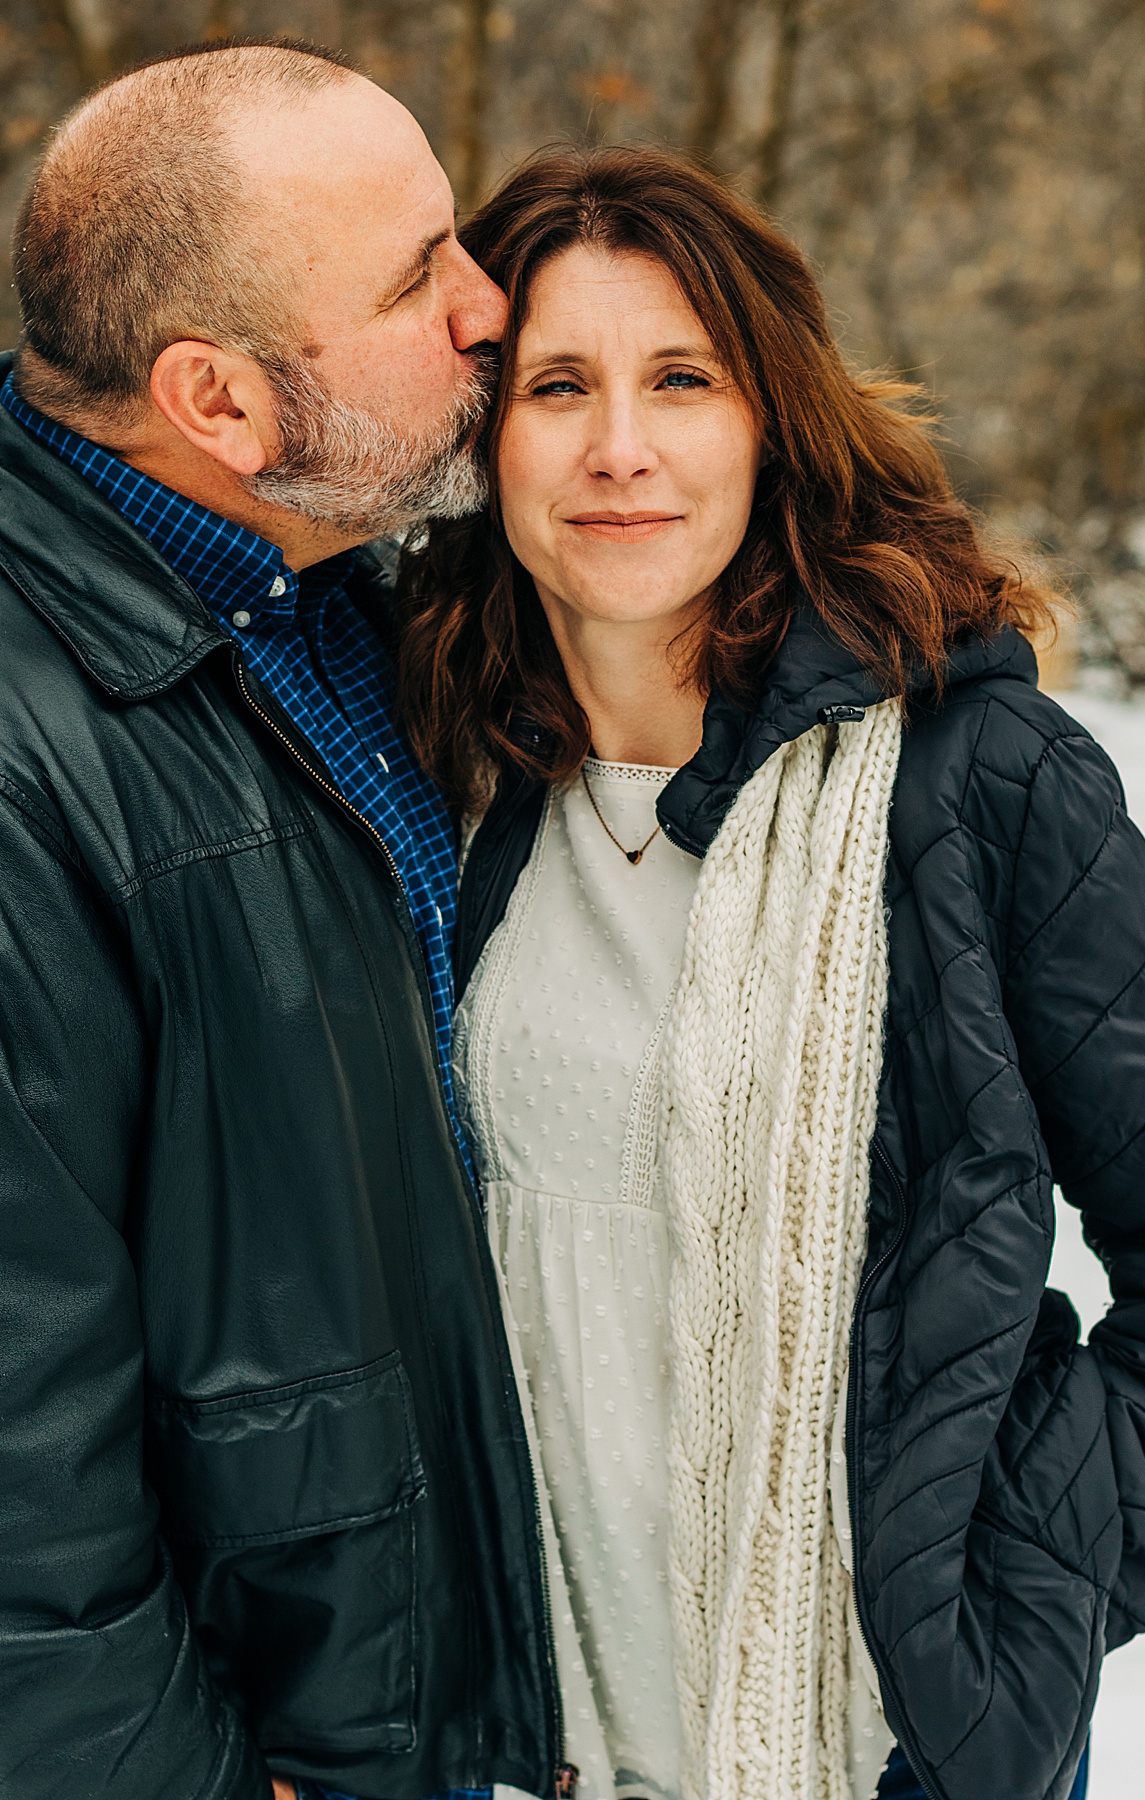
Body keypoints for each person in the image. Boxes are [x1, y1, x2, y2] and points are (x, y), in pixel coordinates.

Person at [394, 146, 1145, 1800]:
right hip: (508, 1748)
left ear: (771, 418)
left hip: (875, 1747)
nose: (621, 448)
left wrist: (1015, 1597)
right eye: (559, 384)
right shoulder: (431, 784)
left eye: (681, 378)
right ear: (487, 439)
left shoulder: (979, 780)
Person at [0, 38, 581, 1800]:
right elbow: (23, 1462)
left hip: (445, 1703)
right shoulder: (33, 760)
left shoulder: (339, 572)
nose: (495, 303)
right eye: (420, 279)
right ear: (223, 404)